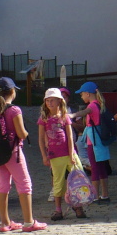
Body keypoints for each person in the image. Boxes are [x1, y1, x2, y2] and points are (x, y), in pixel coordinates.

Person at [0, 76, 46, 232]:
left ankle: (5, 223)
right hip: (13, 152)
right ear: (13, 91)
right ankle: (29, 222)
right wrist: (26, 132)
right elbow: (21, 134)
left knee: (2, 186)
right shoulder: (14, 110)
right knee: (24, 184)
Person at [38, 87, 75, 221]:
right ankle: (58, 209)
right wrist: (44, 155)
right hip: (55, 155)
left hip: (69, 154)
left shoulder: (64, 116)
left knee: (76, 179)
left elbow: (70, 136)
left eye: (52, 100)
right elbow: (41, 138)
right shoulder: (44, 118)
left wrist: (71, 154)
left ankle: (78, 205)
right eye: (47, 101)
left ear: (59, 101)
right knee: (58, 183)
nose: (50, 103)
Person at [71, 81, 111, 203]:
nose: (81, 96)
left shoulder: (92, 106)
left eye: (82, 94)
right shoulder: (99, 104)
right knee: (101, 168)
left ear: (88, 94)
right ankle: (105, 195)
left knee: (94, 168)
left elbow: (84, 112)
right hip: (100, 142)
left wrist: (71, 115)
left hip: (93, 142)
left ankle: (95, 195)